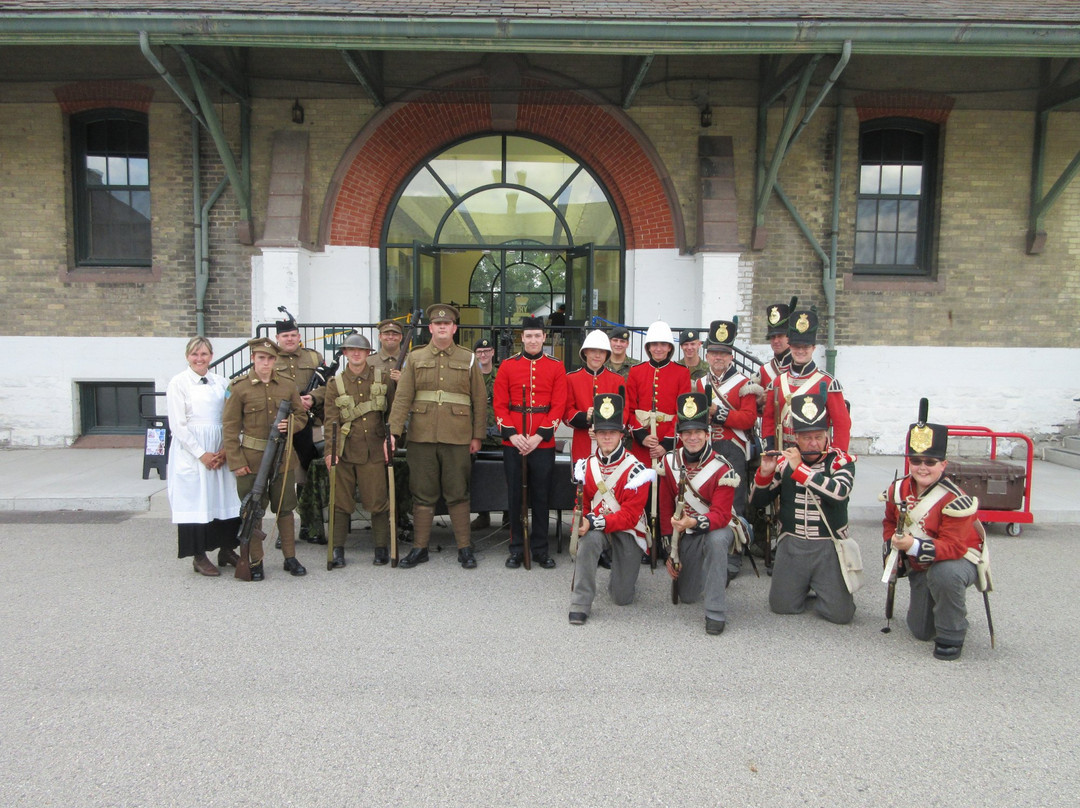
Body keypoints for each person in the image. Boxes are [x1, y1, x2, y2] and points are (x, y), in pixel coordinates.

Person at [882, 399, 984, 661]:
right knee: (920, 631)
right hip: (920, 565)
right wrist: (892, 547)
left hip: (958, 560)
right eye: (916, 460)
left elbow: (955, 547)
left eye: (930, 460)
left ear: (943, 464)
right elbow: (890, 523)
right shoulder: (897, 489)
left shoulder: (955, 498)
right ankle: (949, 608)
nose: (922, 467)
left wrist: (912, 546)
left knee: (946, 574)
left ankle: (953, 633)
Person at [388, 304, 487, 570]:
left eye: (447, 324)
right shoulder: (415, 358)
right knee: (422, 494)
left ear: (454, 328)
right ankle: (420, 548)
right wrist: (393, 433)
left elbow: (479, 399)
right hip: (422, 436)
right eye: (437, 324)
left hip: (458, 437)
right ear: (430, 328)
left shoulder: (468, 359)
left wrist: (478, 435)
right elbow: (402, 398)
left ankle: (464, 548)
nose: (442, 327)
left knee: (457, 493)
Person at [750, 385, 857, 624]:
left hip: (828, 544)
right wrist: (764, 474)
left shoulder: (840, 461)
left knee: (841, 616)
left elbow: (839, 493)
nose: (813, 443)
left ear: (826, 436)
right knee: (782, 606)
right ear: (796, 438)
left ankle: (823, 586)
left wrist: (801, 470)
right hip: (792, 542)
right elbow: (757, 503)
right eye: (807, 438)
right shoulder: (786, 461)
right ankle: (805, 584)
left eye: (818, 437)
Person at [222, 337, 308, 580]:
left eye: (270, 358)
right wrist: (236, 462)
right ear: (253, 359)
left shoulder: (287, 386)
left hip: (282, 458)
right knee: (253, 511)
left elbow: (301, 416)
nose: (266, 363)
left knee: (285, 509)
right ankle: (255, 560)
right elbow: (229, 428)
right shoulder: (239, 388)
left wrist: (290, 423)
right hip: (252, 459)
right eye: (261, 358)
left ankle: (290, 557)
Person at [569, 393, 654, 625]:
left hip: (628, 531)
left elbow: (629, 516)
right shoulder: (585, 466)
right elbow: (583, 504)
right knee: (588, 539)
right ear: (594, 435)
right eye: (602, 433)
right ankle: (580, 601)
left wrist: (595, 521)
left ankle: (621, 575)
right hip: (598, 527)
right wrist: (582, 523)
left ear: (621, 435)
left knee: (621, 598)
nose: (607, 437)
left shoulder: (637, 470)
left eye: (612, 432)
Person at [661, 392, 740, 635]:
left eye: (697, 433)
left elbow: (721, 516)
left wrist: (692, 521)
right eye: (687, 433)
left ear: (707, 435)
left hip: (716, 526)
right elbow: (665, 508)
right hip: (687, 531)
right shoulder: (669, 462)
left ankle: (715, 612)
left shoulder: (723, 467)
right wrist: (670, 551)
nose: (692, 438)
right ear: (680, 436)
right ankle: (715, 572)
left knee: (716, 541)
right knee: (687, 596)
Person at [494, 315, 568, 569]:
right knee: (515, 496)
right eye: (529, 336)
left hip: (542, 442)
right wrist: (513, 435)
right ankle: (516, 548)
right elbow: (500, 405)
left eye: (538, 336)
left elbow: (559, 405)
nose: (533, 340)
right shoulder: (507, 365)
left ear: (544, 338)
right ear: (522, 338)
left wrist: (538, 437)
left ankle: (539, 548)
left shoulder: (556, 366)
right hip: (513, 441)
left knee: (540, 497)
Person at [165, 336, 242, 577]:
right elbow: (178, 425)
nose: (200, 359)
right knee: (196, 502)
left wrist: (226, 449)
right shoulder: (178, 383)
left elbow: (231, 416)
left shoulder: (221, 383)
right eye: (195, 354)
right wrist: (202, 454)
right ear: (187, 356)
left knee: (225, 498)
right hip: (193, 451)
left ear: (211, 356)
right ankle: (199, 555)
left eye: (204, 354)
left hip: (220, 448)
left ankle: (227, 548)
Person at [322, 332, 395, 567]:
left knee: (378, 501)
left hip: (374, 449)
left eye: (361, 351)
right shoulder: (335, 384)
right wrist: (329, 451)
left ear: (367, 354)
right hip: (344, 449)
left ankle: (381, 547)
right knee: (341, 502)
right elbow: (331, 420)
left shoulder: (382, 379)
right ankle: (337, 548)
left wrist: (392, 439)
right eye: (351, 350)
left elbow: (393, 412)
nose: (356, 354)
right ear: (344, 353)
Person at [697, 318, 760, 579]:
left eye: (723, 353)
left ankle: (734, 554)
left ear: (731, 356)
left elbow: (748, 419)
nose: (718, 357)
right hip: (708, 448)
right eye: (714, 353)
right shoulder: (700, 384)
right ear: (708, 355)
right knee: (706, 500)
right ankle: (709, 549)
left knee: (734, 503)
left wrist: (719, 412)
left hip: (733, 448)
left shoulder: (743, 383)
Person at [760, 308, 851, 452]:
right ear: (790, 347)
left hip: (815, 454)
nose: (800, 351)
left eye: (806, 347)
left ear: (813, 348)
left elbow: (841, 423)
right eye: (796, 346)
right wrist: (770, 448)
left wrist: (838, 456)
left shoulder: (827, 383)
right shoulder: (777, 382)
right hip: (784, 452)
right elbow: (769, 420)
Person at [274, 315, 330, 545]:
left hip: (311, 423)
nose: (289, 339)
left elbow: (329, 386)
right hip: (283, 425)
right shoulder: (270, 359)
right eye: (285, 336)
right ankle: (284, 530)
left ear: (299, 337)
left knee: (310, 476)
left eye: (293, 335)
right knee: (282, 477)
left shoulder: (314, 357)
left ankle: (310, 525)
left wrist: (313, 398)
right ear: (277, 338)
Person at [370, 317, 413, 540]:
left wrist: (403, 379)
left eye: (395, 335)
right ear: (380, 337)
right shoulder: (369, 362)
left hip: (403, 426)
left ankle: (403, 516)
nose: (390, 337)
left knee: (402, 473)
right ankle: (383, 519)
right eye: (386, 334)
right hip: (376, 426)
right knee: (380, 475)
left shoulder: (410, 361)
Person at [564, 329, 624, 464]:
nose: (597, 355)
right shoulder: (571, 379)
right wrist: (585, 417)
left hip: (610, 443)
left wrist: (602, 429)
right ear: (585, 352)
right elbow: (567, 412)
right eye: (593, 351)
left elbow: (623, 412)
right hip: (583, 441)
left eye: (602, 351)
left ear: (607, 354)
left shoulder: (617, 380)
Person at [471, 336, 506, 530]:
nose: (483, 355)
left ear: (492, 352)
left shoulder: (502, 375)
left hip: (499, 435)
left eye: (486, 351)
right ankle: (483, 515)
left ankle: (508, 515)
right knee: (479, 478)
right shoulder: (470, 376)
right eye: (479, 353)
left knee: (505, 477)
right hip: (478, 435)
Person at [754, 296, 797, 395]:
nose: (776, 341)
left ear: (789, 337)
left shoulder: (801, 367)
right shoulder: (764, 370)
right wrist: (761, 401)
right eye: (772, 337)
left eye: (780, 336)